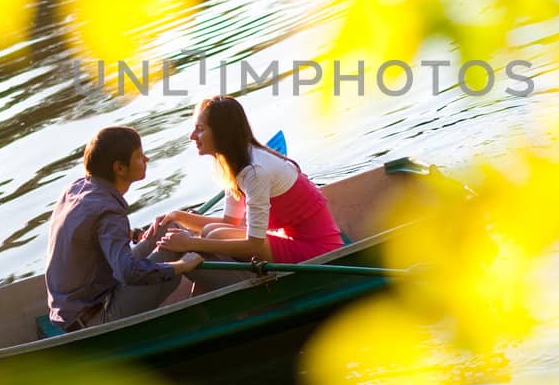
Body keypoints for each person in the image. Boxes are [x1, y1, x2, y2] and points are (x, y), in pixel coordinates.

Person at [45, 126, 203, 330]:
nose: (146, 159)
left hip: (73, 309)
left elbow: (89, 233)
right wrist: (183, 265)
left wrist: (134, 234)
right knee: (172, 249)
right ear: (119, 168)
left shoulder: (77, 188)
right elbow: (127, 273)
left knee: (168, 228)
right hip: (95, 319)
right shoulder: (109, 211)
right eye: (139, 156)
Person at [159, 96, 343, 267]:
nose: (192, 136)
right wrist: (178, 217)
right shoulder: (235, 163)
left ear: (222, 134)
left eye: (200, 129)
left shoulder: (255, 172)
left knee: (215, 234)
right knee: (211, 230)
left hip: (320, 251)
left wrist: (192, 243)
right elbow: (231, 222)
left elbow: (254, 244)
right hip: (288, 240)